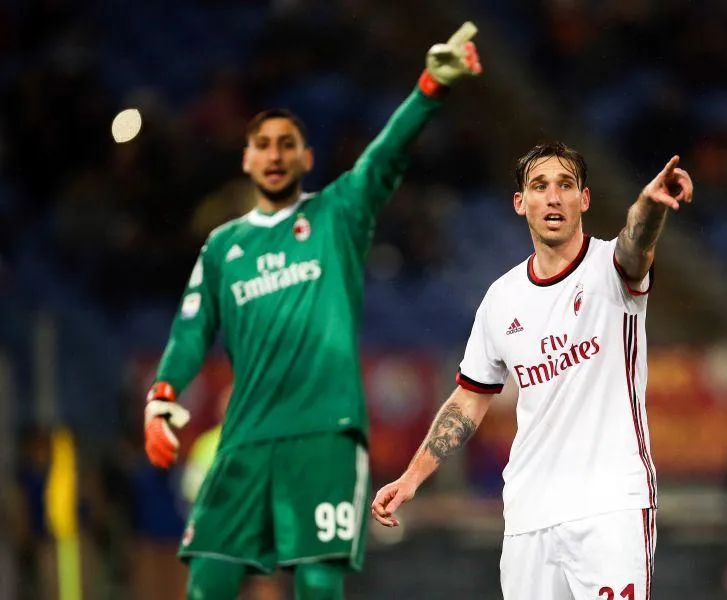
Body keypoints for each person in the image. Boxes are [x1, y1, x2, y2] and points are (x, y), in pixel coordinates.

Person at [142, 22, 483, 599]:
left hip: (324, 434)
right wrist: (163, 394)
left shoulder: (335, 215)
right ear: (246, 159)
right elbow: (191, 328)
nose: (274, 155)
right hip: (245, 437)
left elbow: (384, 157)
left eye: (286, 144)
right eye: (263, 145)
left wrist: (428, 88)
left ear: (307, 157)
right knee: (209, 579)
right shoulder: (224, 247)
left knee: (319, 581)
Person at [372, 142, 694, 599]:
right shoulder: (501, 299)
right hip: (529, 516)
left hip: (610, 507)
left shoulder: (611, 269)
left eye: (565, 185)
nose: (553, 197)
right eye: (539, 186)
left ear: (584, 198)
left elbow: (637, 241)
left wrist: (649, 205)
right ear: (520, 203)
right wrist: (411, 477)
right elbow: (469, 397)